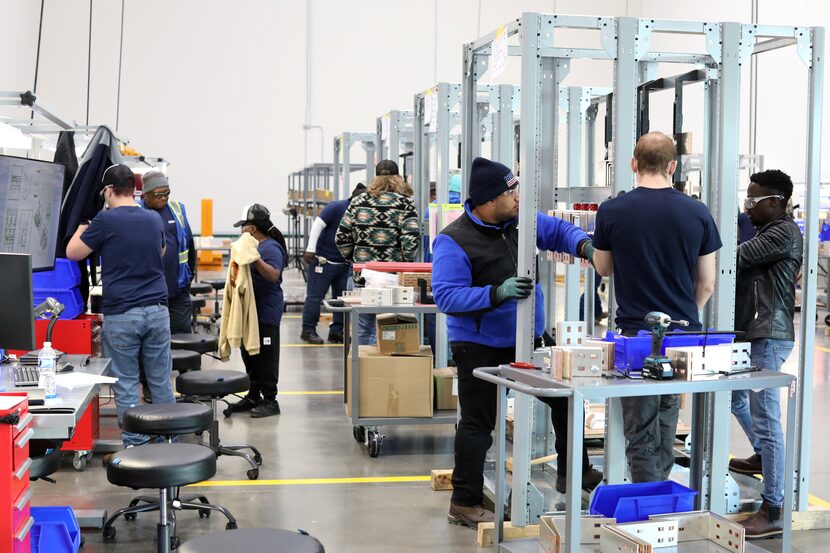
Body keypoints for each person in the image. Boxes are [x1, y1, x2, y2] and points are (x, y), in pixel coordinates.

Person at [432, 157, 603, 528]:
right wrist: (496, 293)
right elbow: (446, 297)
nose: (517, 196)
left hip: (529, 340)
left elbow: (558, 231)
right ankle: (464, 502)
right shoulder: (453, 240)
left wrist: (586, 247)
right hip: (478, 345)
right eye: (511, 191)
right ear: (489, 199)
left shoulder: (521, 222)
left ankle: (573, 472)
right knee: (478, 423)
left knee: (565, 398)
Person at [591, 132, 721, 483]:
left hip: (636, 338)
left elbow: (603, 268)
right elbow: (707, 282)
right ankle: (661, 500)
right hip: (684, 339)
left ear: (634, 164)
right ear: (673, 166)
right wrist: (680, 319)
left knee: (641, 430)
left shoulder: (612, 210)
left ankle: (649, 509)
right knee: (667, 419)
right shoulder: (697, 212)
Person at [66, 164, 176, 446]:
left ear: (108, 191)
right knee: (160, 381)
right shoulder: (153, 218)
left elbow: (73, 252)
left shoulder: (105, 221)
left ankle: (136, 447)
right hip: (157, 311)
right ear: (134, 190)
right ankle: (167, 442)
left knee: (127, 383)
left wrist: (82, 226)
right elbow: (161, 250)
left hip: (123, 314)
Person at [728, 170, 802, 538]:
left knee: (768, 418)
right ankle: (761, 453)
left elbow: (735, 257)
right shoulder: (766, 231)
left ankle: (773, 508)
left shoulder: (782, 233)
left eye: (753, 202)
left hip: (769, 336)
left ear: (776, 202)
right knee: (736, 399)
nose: (747, 208)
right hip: (754, 332)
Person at [336, 160, 419, 344]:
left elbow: (341, 237)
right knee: (390, 328)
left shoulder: (358, 202)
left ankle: (362, 371)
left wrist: (356, 259)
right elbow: (411, 242)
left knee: (362, 329)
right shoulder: (405, 204)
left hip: (363, 276)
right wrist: (404, 263)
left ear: (375, 178)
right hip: (394, 280)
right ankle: (384, 371)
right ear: (398, 178)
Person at [224, 204, 288, 418]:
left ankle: (271, 400)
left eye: (243, 227)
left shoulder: (270, 248)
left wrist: (256, 259)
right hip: (248, 312)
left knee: (266, 357)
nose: (241, 231)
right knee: (250, 353)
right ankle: (253, 396)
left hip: (265, 311)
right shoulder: (250, 246)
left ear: (251, 228)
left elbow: (273, 275)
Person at [300, 183, 366, 345]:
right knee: (315, 297)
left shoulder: (362, 212)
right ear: (354, 198)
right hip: (323, 261)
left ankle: (337, 331)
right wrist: (310, 249)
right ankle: (308, 330)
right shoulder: (337, 207)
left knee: (341, 299)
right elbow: (318, 225)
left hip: (344, 264)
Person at [140, 171, 196, 332]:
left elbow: (190, 245)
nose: (164, 198)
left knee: (181, 342)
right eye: (159, 194)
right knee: (154, 344)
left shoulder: (177, 210)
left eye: (167, 193)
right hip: (149, 294)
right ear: (146, 194)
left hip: (178, 291)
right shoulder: (137, 212)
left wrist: (188, 278)